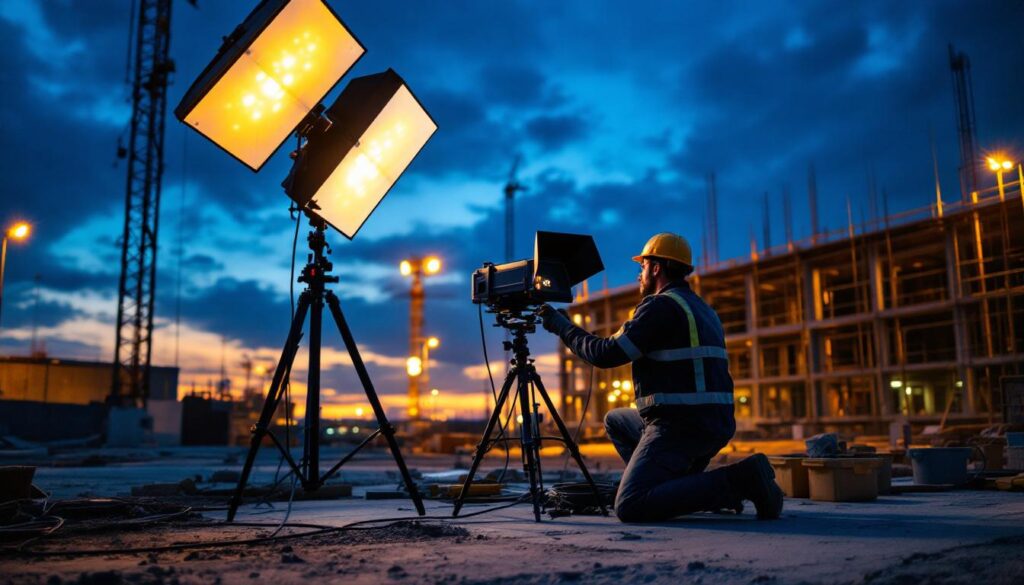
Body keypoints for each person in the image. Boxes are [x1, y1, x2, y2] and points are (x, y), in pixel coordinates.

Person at [538, 232, 783, 522]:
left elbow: (605, 355)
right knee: (616, 419)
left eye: (643, 267)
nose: (639, 274)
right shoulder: (702, 308)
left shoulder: (661, 307)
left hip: (680, 425)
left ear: (656, 268)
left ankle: (740, 480)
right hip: (713, 423)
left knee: (630, 505)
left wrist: (563, 327)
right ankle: (673, 489)